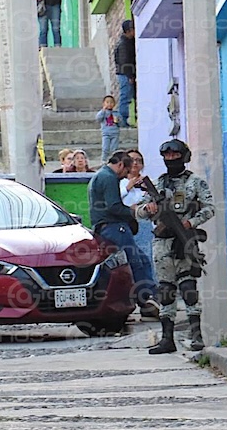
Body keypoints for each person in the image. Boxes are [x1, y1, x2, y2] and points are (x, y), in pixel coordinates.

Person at [136, 139, 215, 353]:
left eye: (175, 155)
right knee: (166, 290)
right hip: (162, 243)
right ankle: (167, 339)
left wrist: (191, 223)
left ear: (184, 156)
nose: (171, 159)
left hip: (184, 240)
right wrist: (149, 209)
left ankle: (196, 335)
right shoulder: (158, 183)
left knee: (188, 287)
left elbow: (209, 208)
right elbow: (139, 211)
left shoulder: (195, 183)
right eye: (167, 156)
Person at [88, 150, 159, 319]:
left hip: (109, 226)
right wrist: (134, 212)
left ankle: (148, 298)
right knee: (135, 262)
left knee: (141, 260)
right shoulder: (109, 177)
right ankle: (146, 299)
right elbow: (114, 207)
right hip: (114, 226)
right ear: (120, 165)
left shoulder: (100, 176)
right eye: (126, 171)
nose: (125, 176)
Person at [120, 149, 158, 321]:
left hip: (143, 226)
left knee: (145, 261)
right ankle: (140, 299)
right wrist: (129, 187)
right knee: (133, 263)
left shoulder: (146, 183)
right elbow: (117, 201)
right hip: (126, 226)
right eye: (132, 160)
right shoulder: (119, 182)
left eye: (139, 160)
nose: (136, 163)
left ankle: (149, 299)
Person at [114, 20, 135, 128]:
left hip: (125, 74)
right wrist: (130, 75)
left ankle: (123, 120)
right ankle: (122, 120)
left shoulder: (126, 42)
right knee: (125, 97)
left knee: (127, 96)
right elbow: (124, 61)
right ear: (128, 31)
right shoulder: (124, 44)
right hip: (125, 74)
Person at [96, 95, 122, 164]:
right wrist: (103, 111)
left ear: (114, 104)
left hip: (115, 133)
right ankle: (104, 159)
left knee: (114, 148)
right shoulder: (103, 113)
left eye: (111, 102)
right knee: (105, 147)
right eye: (107, 102)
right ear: (104, 104)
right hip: (106, 133)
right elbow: (98, 119)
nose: (109, 104)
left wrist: (118, 120)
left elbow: (121, 122)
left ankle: (113, 160)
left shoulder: (116, 113)